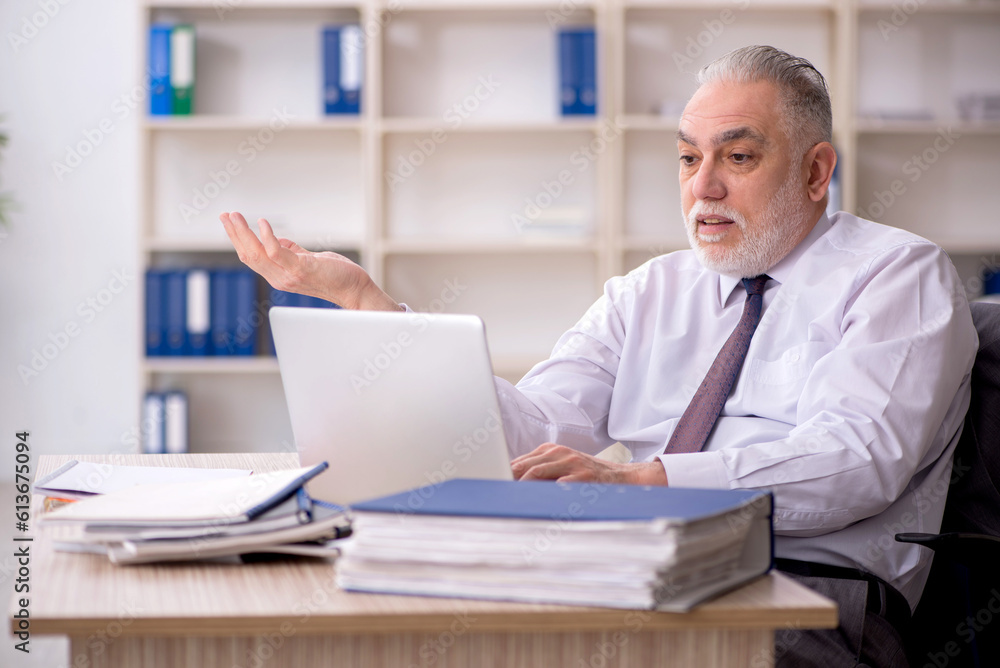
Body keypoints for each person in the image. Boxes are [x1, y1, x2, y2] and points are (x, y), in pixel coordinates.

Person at [219, 45, 977, 667]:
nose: (702, 187)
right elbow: (536, 430)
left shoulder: (896, 274)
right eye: (687, 159)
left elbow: (856, 460)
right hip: (634, 570)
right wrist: (367, 305)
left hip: (809, 600)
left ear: (817, 173)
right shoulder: (648, 290)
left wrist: (644, 481)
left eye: (737, 157)